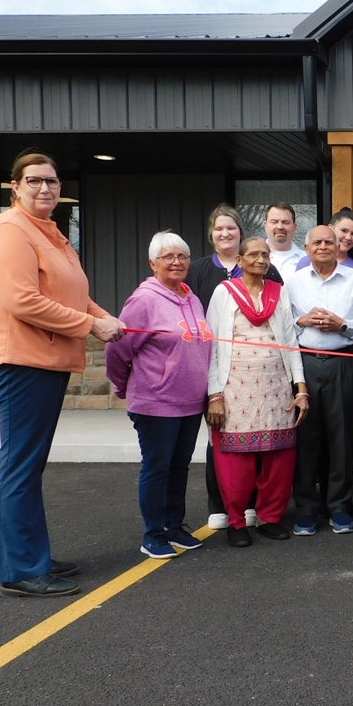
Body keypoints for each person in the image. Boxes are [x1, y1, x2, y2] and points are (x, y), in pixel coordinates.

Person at [0, 149, 125, 597]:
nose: (45, 188)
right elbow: (21, 300)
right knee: (21, 465)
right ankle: (21, 568)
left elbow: (72, 294)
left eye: (52, 181)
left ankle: (31, 556)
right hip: (22, 361)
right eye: (35, 180)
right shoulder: (9, 230)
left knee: (29, 464)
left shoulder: (50, 232)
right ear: (15, 186)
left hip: (45, 360)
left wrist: (103, 316)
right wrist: (91, 326)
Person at [106, 231, 211, 559]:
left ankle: (173, 525)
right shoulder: (143, 300)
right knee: (157, 467)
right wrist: (123, 386)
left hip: (191, 403)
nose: (176, 262)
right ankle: (153, 533)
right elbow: (117, 349)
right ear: (153, 263)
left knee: (180, 466)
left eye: (182, 256)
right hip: (156, 402)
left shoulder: (192, 299)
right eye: (168, 257)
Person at [205, 238, 308, 546]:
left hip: (276, 388)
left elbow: (290, 341)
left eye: (265, 254)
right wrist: (214, 395)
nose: (261, 259)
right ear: (239, 260)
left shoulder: (278, 292)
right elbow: (212, 345)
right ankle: (236, 522)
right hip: (235, 388)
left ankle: (269, 518)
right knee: (236, 462)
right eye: (254, 254)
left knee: (279, 458)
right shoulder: (225, 292)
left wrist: (300, 387)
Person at [187, 204, 281, 531]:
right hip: (216, 367)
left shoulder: (267, 269)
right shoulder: (198, 271)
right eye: (219, 228)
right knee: (221, 438)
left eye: (231, 228)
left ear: (241, 234)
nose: (225, 233)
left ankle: (253, 504)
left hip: (261, 380)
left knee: (258, 441)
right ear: (211, 234)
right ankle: (220, 504)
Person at [287, 225, 353, 536]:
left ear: (339, 247)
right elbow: (283, 325)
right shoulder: (294, 281)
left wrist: (342, 324)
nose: (323, 246)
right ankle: (306, 508)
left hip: (344, 362)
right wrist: (302, 320)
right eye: (317, 242)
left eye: (329, 242)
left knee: (342, 436)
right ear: (307, 248)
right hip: (305, 363)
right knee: (305, 436)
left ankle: (340, 506)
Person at [265, 203, 307, 282]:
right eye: (274, 222)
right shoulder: (252, 258)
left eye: (285, 222)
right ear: (265, 225)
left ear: (294, 227)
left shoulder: (307, 259)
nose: (280, 227)